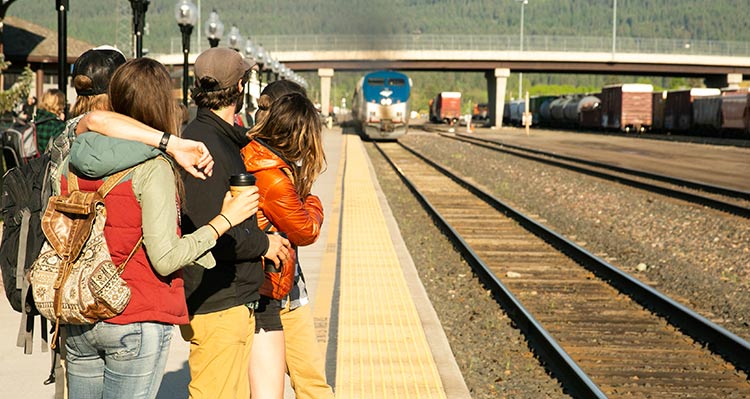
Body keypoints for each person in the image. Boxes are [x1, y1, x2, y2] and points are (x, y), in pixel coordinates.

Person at [60, 57, 260, 399]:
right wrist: (226, 219)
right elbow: (166, 257)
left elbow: (92, 119)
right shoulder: (153, 168)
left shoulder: (74, 153)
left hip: (80, 314)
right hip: (135, 315)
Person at [178, 47, 291, 399]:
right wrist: (265, 244)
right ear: (241, 87)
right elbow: (210, 229)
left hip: (230, 298)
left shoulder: (210, 137)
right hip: (217, 302)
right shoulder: (205, 145)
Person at [240, 83, 332, 399]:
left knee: (310, 382)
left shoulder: (265, 159)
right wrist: (314, 202)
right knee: (307, 383)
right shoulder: (273, 175)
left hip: (284, 284)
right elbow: (306, 230)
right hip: (275, 291)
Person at [34, 89, 66, 153]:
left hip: (32, 161)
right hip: (48, 162)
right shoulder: (58, 126)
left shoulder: (35, 122)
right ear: (59, 105)